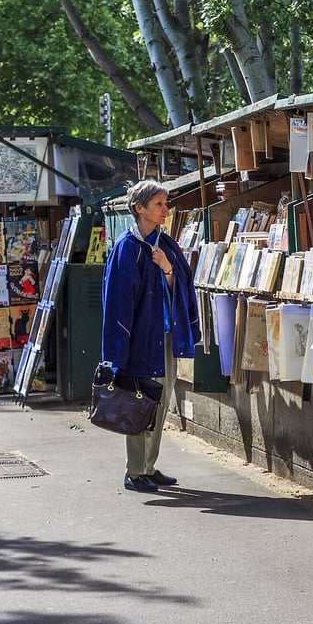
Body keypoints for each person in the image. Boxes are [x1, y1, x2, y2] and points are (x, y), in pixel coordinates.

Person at [103, 181, 201, 493]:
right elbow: (116, 304)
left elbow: (183, 286)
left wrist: (169, 270)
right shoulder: (126, 249)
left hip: (166, 338)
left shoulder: (166, 246)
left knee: (160, 403)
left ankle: (148, 466)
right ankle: (135, 471)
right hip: (140, 342)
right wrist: (117, 353)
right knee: (140, 404)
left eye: (165, 203)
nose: (166, 209)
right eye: (159, 204)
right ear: (139, 208)